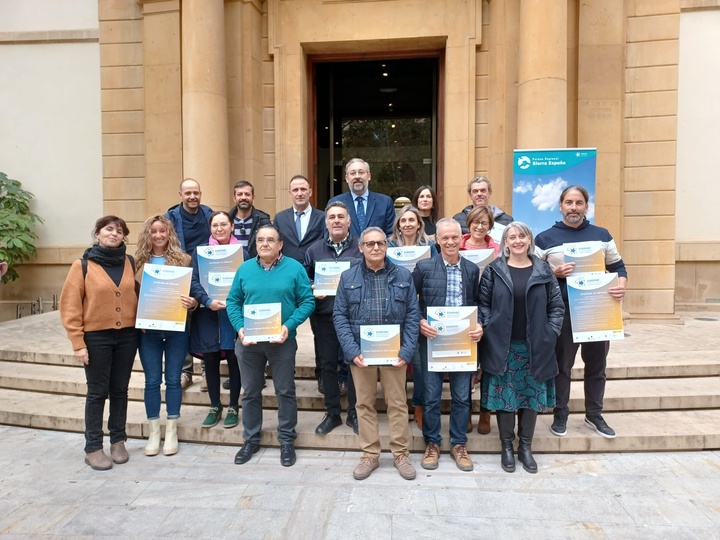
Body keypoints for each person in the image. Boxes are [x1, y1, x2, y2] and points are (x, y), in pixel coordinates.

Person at [535, 185, 628, 439]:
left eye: (578, 203)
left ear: (587, 206)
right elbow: (531, 274)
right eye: (568, 202)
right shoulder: (544, 238)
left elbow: (619, 267)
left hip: (598, 310)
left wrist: (621, 286)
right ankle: (560, 414)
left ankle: (594, 414)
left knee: (597, 366)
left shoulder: (602, 235)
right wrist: (553, 273)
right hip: (562, 312)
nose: (573, 207)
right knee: (563, 366)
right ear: (560, 206)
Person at [333, 226, 420, 481]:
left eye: (380, 243)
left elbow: (413, 315)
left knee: (397, 404)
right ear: (360, 248)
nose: (375, 248)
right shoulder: (348, 278)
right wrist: (351, 350)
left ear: (386, 246)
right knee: (363, 404)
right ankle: (370, 454)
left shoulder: (404, 275)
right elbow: (339, 315)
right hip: (362, 355)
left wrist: (406, 350)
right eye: (369, 244)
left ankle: (400, 453)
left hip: (395, 355)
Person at [479, 222, 564, 474]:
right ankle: (506, 446)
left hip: (535, 346)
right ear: (505, 242)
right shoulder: (494, 270)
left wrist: (551, 333)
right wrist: (489, 327)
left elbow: (556, 307)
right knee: (505, 399)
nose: (517, 240)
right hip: (502, 345)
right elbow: (483, 304)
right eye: (512, 237)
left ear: (529, 240)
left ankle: (525, 447)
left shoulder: (543, 270)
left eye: (522, 236)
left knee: (529, 398)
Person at [227, 225, 314, 467]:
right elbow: (233, 301)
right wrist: (239, 327)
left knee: (285, 391)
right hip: (250, 343)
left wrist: (290, 325)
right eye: (261, 240)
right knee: (251, 391)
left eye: (270, 240)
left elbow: (307, 301)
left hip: (281, 342)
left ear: (280, 244)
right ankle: (251, 439)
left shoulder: (294, 268)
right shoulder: (244, 269)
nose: (265, 244)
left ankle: (286, 440)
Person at [59, 215, 139, 471]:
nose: (114, 234)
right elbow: (70, 307)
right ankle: (93, 446)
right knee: (97, 392)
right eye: (108, 229)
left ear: (124, 236)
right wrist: (77, 342)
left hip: (127, 336)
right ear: (98, 234)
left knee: (120, 390)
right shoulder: (81, 266)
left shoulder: (129, 262)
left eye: (119, 230)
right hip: (96, 338)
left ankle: (118, 440)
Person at [412, 218, 483, 472]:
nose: (450, 242)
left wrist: (480, 324)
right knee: (431, 397)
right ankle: (432, 443)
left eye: (455, 237)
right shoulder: (423, 267)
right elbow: (410, 303)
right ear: (437, 240)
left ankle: (458, 444)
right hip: (432, 341)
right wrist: (420, 321)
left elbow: (479, 304)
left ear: (460, 238)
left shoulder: (472, 270)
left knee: (462, 397)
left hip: (463, 342)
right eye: (445, 238)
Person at [134, 215, 195, 456]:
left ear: (170, 233)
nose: (158, 235)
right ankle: (153, 431)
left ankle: (171, 430)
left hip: (176, 328)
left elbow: (195, 289)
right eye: (153, 231)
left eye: (163, 231)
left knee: (172, 379)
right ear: (147, 234)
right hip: (148, 330)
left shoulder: (184, 260)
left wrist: (194, 302)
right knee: (151, 381)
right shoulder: (136, 261)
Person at [303, 201, 362, 435]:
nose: (336, 220)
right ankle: (333, 413)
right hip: (325, 316)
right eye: (332, 217)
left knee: (354, 364)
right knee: (327, 365)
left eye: (341, 217)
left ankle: (355, 413)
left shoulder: (361, 247)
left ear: (349, 221)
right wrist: (312, 286)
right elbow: (303, 282)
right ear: (326, 222)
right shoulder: (314, 250)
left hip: (354, 318)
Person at [189, 211, 246, 430]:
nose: (219, 228)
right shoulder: (200, 252)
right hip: (208, 313)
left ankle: (233, 406)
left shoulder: (244, 252)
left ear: (232, 226)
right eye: (215, 225)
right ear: (210, 228)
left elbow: (248, 279)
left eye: (224, 224)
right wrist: (207, 299)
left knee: (234, 359)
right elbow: (194, 280)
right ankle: (215, 405)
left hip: (233, 314)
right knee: (210, 359)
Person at [388, 204, 436, 429]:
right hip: (394, 310)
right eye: (403, 220)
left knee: (418, 362)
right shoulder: (389, 246)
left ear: (419, 224)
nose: (407, 224)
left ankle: (418, 405)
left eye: (411, 220)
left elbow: (435, 275)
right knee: (395, 360)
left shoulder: (430, 247)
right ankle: (396, 406)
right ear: (398, 224)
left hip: (421, 311)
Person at [164, 178, 213, 391]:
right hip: (180, 274)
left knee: (203, 322)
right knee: (182, 321)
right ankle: (186, 371)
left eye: (196, 193)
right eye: (188, 193)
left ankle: (206, 370)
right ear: (180, 195)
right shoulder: (170, 218)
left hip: (205, 275)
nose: (192, 197)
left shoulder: (210, 215)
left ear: (200, 194)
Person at [458, 204, 502, 435]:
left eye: (484, 223)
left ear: (490, 227)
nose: (479, 226)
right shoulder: (458, 244)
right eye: (475, 222)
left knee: (487, 364)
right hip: (463, 311)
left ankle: (485, 412)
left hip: (491, 310)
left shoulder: (496, 248)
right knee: (467, 365)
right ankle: (465, 412)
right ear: (469, 223)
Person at [327, 158, 395, 238]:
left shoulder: (385, 202)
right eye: (353, 173)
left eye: (361, 172)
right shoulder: (335, 203)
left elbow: (391, 235)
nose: (357, 176)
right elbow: (329, 235)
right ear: (347, 178)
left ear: (369, 176)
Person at [273, 175, 325, 262]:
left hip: (314, 269)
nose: (299, 194)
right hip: (288, 270)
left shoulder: (322, 217)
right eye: (295, 190)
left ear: (310, 192)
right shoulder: (280, 218)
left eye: (303, 189)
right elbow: (275, 245)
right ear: (290, 194)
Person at [228, 180, 271, 258]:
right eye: (240, 194)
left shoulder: (263, 221)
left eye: (247, 194)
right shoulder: (226, 221)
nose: (243, 197)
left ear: (253, 198)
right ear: (234, 198)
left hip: (256, 267)